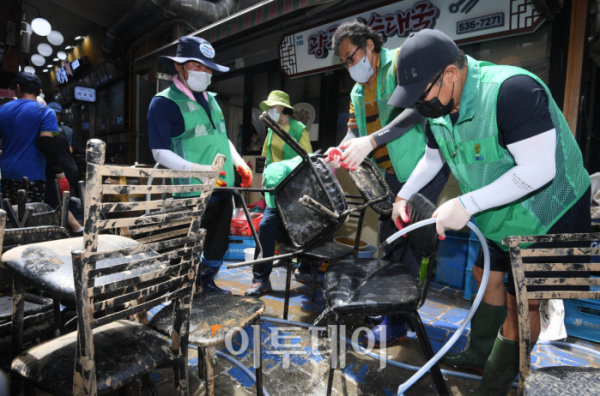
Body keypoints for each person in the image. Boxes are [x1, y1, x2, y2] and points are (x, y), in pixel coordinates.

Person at [389, 29, 591, 395]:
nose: (421, 105)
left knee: (522, 306)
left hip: (555, 212)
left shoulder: (511, 91)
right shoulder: (439, 107)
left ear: (451, 72)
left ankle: (495, 386)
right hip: (500, 209)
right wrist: (404, 195)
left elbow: (539, 170)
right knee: (485, 275)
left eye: (423, 94)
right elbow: (433, 159)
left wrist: (466, 204)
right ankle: (481, 351)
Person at [325, 20, 450, 346]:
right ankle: (392, 309)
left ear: (369, 45)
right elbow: (354, 130)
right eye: (345, 62)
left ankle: (397, 320)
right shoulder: (356, 90)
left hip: (420, 168)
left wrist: (372, 140)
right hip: (388, 176)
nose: (350, 65)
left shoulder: (400, 64)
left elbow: (416, 113)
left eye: (351, 56)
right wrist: (343, 148)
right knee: (388, 237)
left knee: (407, 238)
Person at [148, 36, 252, 294]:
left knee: (218, 246)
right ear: (179, 67)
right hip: (191, 194)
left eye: (208, 68)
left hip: (222, 189)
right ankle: (183, 293)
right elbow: (159, 152)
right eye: (197, 66)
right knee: (187, 247)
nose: (204, 73)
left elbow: (221, 137)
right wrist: (197, 171)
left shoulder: (212, 99)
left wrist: (239, 161)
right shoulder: (164, 102)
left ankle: (206, 283)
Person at [245, 91, 313, 296]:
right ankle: (261, 280)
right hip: (274, 191)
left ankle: (304, 269)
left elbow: (307, 159)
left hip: (294, 190)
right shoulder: (272, 130)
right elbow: (266, 159)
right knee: (265, 227)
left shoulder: (298, 129)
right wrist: (264, 178)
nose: (269, 111)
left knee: (307, 229)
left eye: (272, 107)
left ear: (282, 108)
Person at [0, 73, 70, 205]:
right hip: (32, 176)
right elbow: (47, 144)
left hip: (7, 175)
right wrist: (60, 175)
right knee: (30, 218)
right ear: (40, 91)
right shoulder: (45, 112)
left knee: (10, 216)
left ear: (18, 88)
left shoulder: (2, 110)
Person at [46, 102, 83, 235]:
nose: (56, 116)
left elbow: (69, 149)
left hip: (62, 170)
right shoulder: (60, 130)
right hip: (68, 168)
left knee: (56, 200)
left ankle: (74, 228)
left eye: (57, 114)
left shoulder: (51, 130)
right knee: (62, 199)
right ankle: (71, 228)